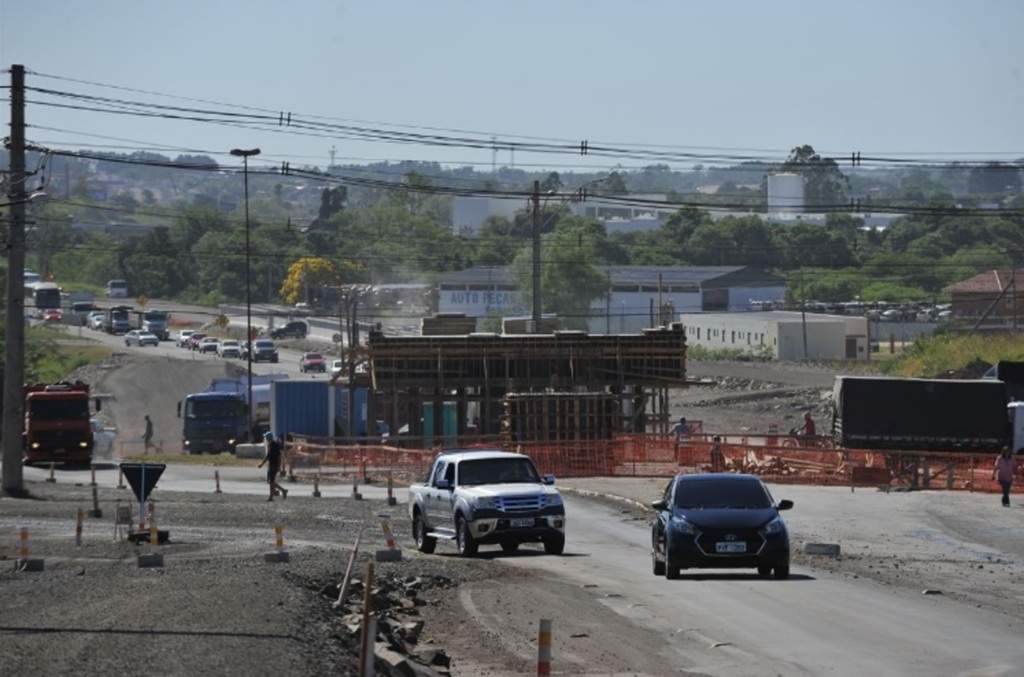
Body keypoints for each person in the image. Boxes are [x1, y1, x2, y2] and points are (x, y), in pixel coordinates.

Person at [257, 431, 288, 501]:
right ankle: (282, 491)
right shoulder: (270, 445)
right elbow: (268, 456)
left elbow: (279, 456)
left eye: (266, 438)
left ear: (269, 438)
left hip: (274, 465)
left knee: (271, 481)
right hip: (271, 465)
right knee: (270, 481)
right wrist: (262, 464)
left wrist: (279, 466)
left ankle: (275, 495)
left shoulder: (274, 445)